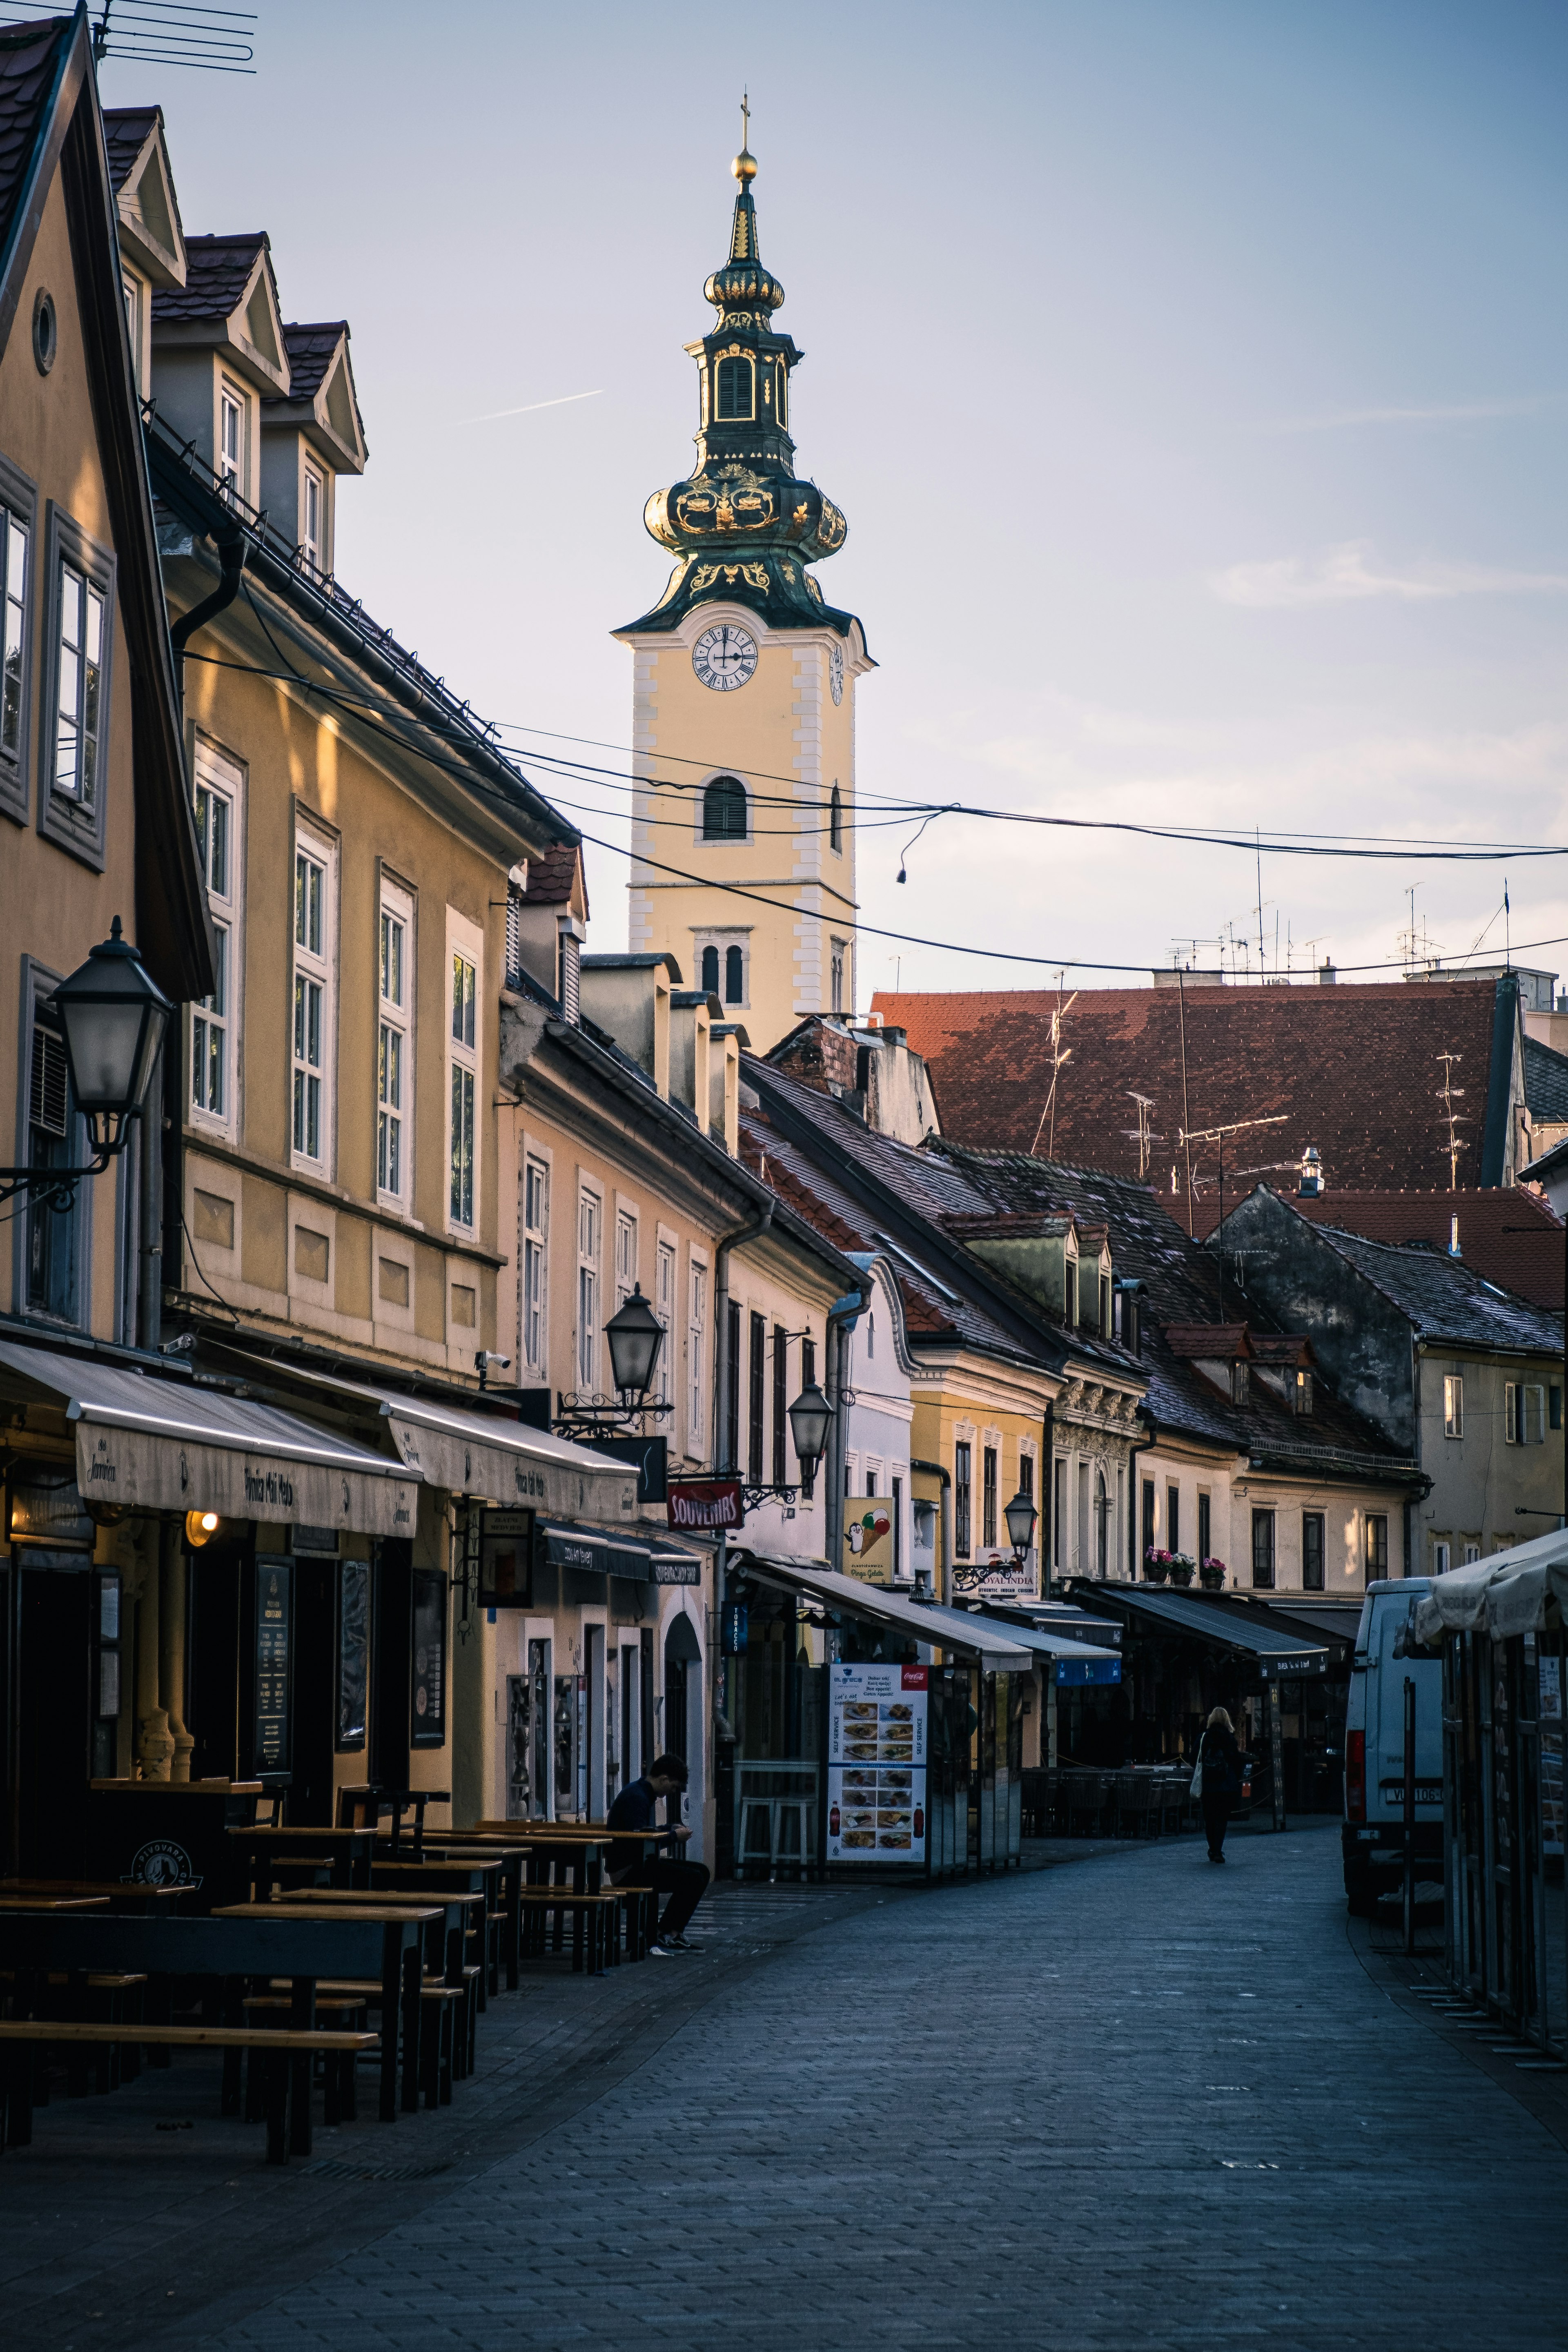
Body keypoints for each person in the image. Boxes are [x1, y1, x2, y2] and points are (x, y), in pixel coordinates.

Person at [605, 1753, 710, 1954]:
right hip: (629, 1871)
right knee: (694, 1878)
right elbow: (639, 1841)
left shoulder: (640, 1792)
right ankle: (667, 1932)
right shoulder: (637, 1798)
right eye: (673, 1786)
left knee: (702, 1872)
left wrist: (669, 1828)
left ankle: (670, 1931)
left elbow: (644, 1833)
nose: (672, 1792)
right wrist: (672, 1836)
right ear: (663, 1779)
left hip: (637, 1864)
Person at [1198, 1706, 1242, 1863]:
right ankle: (1218, 1849)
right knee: (1222, 1818)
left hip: (1208, 1784)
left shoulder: (1204, 1738)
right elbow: (1236, 1761)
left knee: (1209, 1818)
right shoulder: (1230, 1739)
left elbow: (1195, 1758)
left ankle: (1212, 1848)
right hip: (1225, 1784)